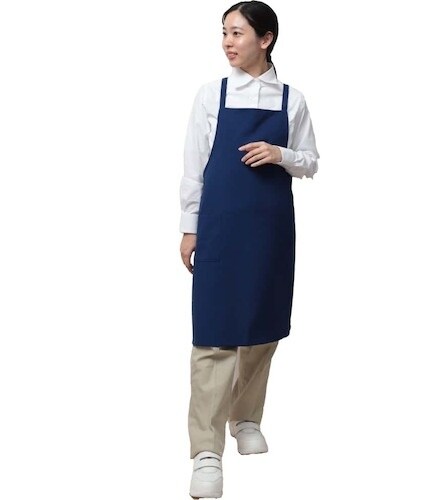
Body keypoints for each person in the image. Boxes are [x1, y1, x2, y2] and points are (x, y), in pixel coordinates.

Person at [178, 1, 319, 497]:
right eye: (224, 33)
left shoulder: (292, 99)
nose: (227, 42)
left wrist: (281, 154)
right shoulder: (211, 95)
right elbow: (194, 166)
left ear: (266, 39)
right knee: (215, 333)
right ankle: (206, 451)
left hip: (270, 229)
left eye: (237, 33)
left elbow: (311, 161)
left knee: (262, 328)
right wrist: (189, 227)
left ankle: (245, 418)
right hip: (219, 228)